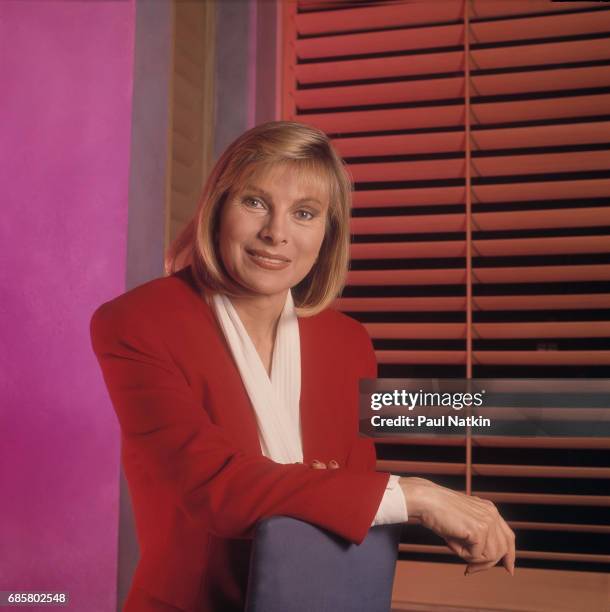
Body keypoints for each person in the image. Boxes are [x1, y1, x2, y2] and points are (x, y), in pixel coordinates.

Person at [90, 121, 515, 612]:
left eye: (304, 213)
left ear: (327, 233)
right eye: (254, 202)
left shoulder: (347, 341)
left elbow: (344, 516)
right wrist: (413, 495)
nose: (276, 234)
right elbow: (215, 488)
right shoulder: (137, 322)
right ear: (217, 206)